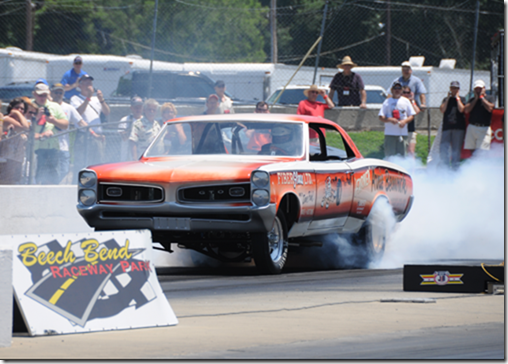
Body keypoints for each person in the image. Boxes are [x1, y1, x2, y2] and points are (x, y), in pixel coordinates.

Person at [31, 82, 68, 184]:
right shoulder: (29, 106)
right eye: (40, 95)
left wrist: (54, 121)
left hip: (53, 149)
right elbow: (24, 127)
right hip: (35, 150)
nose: (42, 98)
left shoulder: (54, 106)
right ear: (34, 94)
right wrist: (35, 118)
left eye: (45, 95)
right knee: (35, 178)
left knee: (53, 178)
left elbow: (65, 125)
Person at [50, 83, 88, 182]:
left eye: (60, 93)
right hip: (49, 146)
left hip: (63, 147)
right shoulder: (47, 106)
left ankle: (54, 186)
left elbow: (80, 122)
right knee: (49, 172)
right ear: (51, 93)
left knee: (64, 170)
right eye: (56, 92)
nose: (58, 95)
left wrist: (91, 131)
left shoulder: (68, 108)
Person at [70, 74, 110, 168]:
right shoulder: (75, 99)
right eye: (86, 83)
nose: (89, 85)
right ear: (80, 86)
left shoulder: (96, 99)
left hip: (98, 135)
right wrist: (88, 97)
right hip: (84, 136)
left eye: (90, 83)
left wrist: (101, 100)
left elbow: (107, 112)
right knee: (82, 162)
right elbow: (78, 113)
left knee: (98, 163)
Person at [390, 61, 427, 157]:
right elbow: (389, 94)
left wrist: (422, 104)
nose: (406, 71)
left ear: (411, 70)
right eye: (404, 69)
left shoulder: (416, 80)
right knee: (399, 151)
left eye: (407, 69)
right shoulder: (397, 81)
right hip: (399, 114)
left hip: (410, 110)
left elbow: (422, 93)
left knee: (410, 150)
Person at [378, 81, 416, 158]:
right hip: (390, 133)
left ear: (401, 90)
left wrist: (404, 121)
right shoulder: (387, 101)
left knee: (402, 156)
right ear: (392, 90)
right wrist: (390, 119)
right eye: (395, 88)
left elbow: (412, 115)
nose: (397, 90)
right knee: (389, 155)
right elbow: (381, 116)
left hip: (402, 133)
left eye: (399, 88)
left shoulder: (406, 101)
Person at [0, 98, 31, 184]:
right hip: (6, 159)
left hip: (17, 159)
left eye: (22, 109)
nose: (20, 110)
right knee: (5, 183)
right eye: (17, 107)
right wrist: (16, 113)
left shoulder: (22, 122)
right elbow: (25, 128)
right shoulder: (6, 119)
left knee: (13, 183)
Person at [439, 81, 466, 169]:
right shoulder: (446, 99)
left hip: (458, 127)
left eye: (456, 88)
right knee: (443, 148)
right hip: (447, 127)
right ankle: (445, 167)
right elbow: (442, 109)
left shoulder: (462, 99)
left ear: (458, 89)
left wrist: (457, 98)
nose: (454, 90)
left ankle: (455, 168)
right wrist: (448, 98)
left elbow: (462, 109)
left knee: (456, 149)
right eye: (452, 88)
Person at [463, 80, 495, 153]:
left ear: (484, 89)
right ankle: (474, 164)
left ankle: (481, 163)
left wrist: (482, 98)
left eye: (480, 89)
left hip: (484, 127)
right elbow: (467, 110)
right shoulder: (472, 100)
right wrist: (476, 99)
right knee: (472, 149)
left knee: (482, 151)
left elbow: (490, 108)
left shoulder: (490, 98)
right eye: (476, 89)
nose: (478, 91)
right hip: (472, 127)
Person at [118, 96, 144, 161]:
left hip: (141, 155)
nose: (138, 109)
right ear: (131, 108)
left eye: (140, 107)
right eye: (136, 107)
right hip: (126, 156)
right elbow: (124, 137)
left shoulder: (145, 120)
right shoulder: (125, 120)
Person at [401, 86, 421, 158]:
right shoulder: (399, 101)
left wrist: (412, 101)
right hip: (401, 130)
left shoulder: (412, 102)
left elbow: (417, 111)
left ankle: (412, 168)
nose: (406, 94)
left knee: (411, 152)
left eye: (408, 92)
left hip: (410, 130)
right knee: (401, 152)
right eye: (404, 92)